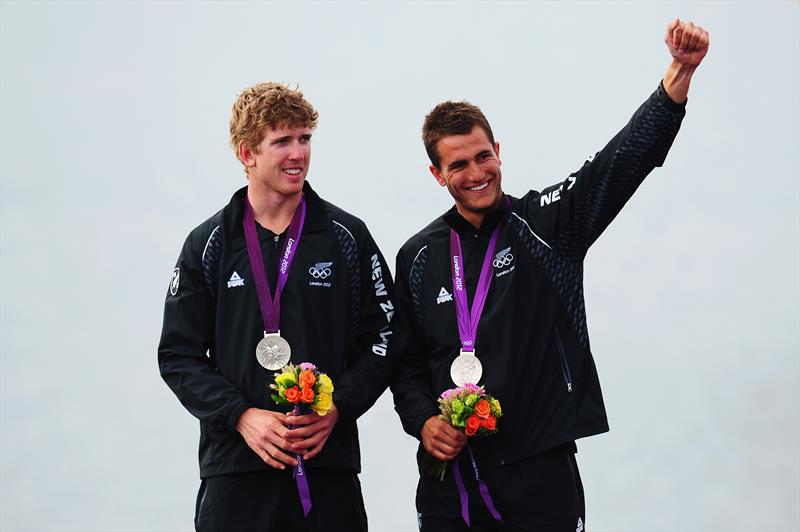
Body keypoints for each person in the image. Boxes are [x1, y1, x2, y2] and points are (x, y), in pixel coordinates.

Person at [390, 18, 709, 531]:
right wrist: (423, 422)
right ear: (436, 174)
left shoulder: (549, 225)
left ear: (499, 149)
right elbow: (403, 364)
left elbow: (623, 160)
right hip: (452, 479)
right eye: (458, 165)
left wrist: (680, 72)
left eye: (483, 156)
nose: (476, 174)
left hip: (541, 471)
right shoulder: (419, 257)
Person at [158, 82, 394, 531]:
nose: (298, 154)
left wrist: (338, 408)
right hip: (236, 470)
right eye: (282, 141)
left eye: (304, 139)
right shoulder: (208, 244)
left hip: (327, 466)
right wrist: (241, 416)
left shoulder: (347, 236)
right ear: (247, 153)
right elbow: (178, 355)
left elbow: (384, 337)